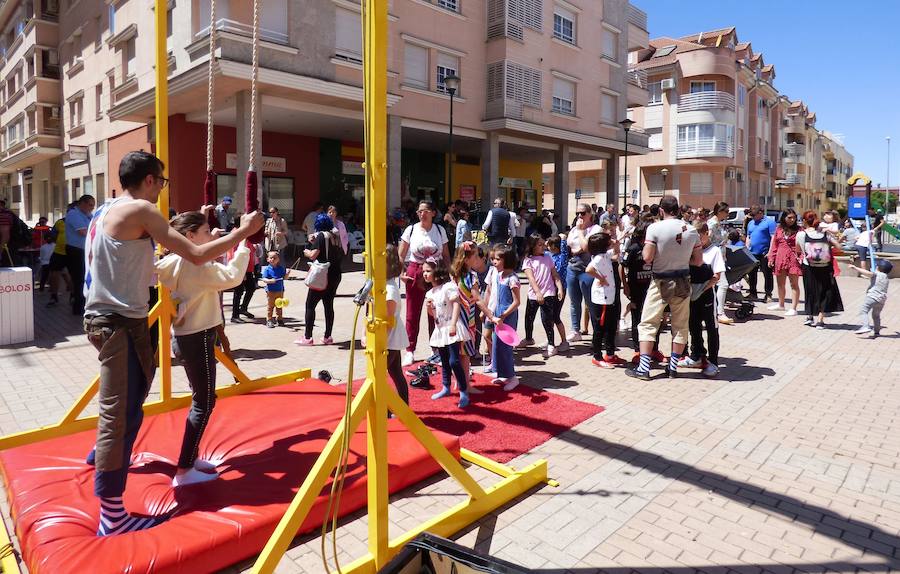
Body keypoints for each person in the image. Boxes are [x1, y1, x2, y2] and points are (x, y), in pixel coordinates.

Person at [83, 150, 263, 535]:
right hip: (119, 322)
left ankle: (101, 456)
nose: (162, 191)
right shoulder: (143, 212)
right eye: (162, 183)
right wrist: (242, 233)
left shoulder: (106, 209)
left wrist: (199, 227)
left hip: (110, 319)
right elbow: (197, 255)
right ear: (150, 180)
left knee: (132, 398)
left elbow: (174, 252)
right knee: (122, 411)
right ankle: (112, 514)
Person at [155, 210, 251, 487]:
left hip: (188, 336)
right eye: (206, 231)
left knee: (202, 397)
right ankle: (184, 468)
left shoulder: (173, 260)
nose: (212, 235)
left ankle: (191, 457)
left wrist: (210, 241)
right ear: (190, 236)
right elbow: (232, 277)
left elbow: (204, 264)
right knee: (205, 401)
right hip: (199, 336)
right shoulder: (195, 265)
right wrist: (243, 243)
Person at [625, 195, 702, 381]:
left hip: (660, 280)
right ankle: (673, 367)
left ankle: (644, 368)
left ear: (661, 210)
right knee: (680, 325)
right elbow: (698, 261)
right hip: (683, 279)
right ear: (678, 209)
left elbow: (647, 257)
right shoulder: (692, 231)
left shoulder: (655, 228)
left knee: (648, 323)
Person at [398, 200, 450, 365]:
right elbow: (400, 255)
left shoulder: (440, 230)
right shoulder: (411, 229)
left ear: (433, 213)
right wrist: (401, 273)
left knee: (436, 312)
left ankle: (437, 349)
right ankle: (409, 350)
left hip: (436, 273)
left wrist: (449, 276)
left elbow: (447, 255)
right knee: (412, 313)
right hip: (415, 271)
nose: (422, 214)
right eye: (419, 211)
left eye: (426, 211)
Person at [679, 221, 725, 377]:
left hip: (706, 295)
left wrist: (702, 289)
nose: (697, 240)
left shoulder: (715, 251)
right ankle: (697, 355)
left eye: (700, 237)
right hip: (692, 295)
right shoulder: (691, 251)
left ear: (707, 234)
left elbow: (716, 276)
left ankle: (713, 362)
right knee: (693, 326)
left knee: (712, 328)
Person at [423, 259, 471, 408]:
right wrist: (429, 308)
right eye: (423, 271)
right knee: (444, 361)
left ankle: (464, 391)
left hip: (451, 327)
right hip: (440, 330)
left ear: (437, 271)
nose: (425, 274)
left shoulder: (448, 287)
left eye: (428, 271)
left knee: (454, 361)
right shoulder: (430, 293)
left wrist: (453, 324)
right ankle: (446, 387)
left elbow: (456, 304)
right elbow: (433, 315)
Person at [296, 213, 344, 345]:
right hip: (335, 273)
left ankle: (307, 337)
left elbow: (313, 255)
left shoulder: (321, 236)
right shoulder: (335, 235)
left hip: (323, 274)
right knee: (328, 305)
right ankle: (328, 336)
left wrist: (307, 251)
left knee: (310, 305)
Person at [450, 241, 490, 390]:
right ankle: (466, 385)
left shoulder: (454, 274)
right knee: (465, 355)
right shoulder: (472, 276)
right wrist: (490, 315)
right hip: (468, 319)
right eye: (475, 256)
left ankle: (457, 381)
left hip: (454, 318)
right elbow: (478, 299)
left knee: (457, 353)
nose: (477, 259)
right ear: (467, 259)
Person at [796, 211, 843, 329]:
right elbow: (839, 247)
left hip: (809, 266)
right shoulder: (825, 234)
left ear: (804, 221)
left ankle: (810, 316)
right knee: (824, 292)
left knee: (810, 291)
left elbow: (798, 250)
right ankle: (820, 321)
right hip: (825, 267)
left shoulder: (801, 234)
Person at [521, 233, 565, 358]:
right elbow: (531, 279)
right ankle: (529, 338)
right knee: (529, 317)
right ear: (533, 246)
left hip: (549, 293)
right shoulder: (528, 260)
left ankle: (551, 344)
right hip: (534, 294)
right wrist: (537, 292)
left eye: (543, 244)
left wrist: (560, 288)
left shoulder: (548, 257)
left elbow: (555, 275)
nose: (543, 247)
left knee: (547, 319)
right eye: (540, 245)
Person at [565, 203, 602, 342]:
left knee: (590, 302)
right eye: (577, 213)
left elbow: (587, 247)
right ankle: (575, 330)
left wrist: (581, 232)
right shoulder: (574, 229)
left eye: (582, 213)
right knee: (574, 302)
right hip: (573, 267)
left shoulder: (596, 229)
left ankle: (597, 333)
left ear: (589, 214)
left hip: (588, 269)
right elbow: (570, 246)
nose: (579, 216)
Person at [586, 232, 620, 368]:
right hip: (602, 298)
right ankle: (597, 356)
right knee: (600, 328)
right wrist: (601, 278)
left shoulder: (605, 255)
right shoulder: (599, 257)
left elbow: (616, 255)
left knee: (611, 326)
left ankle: (610, 354)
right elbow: (589, 269)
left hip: (609, 296)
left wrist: (616, 245)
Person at [488, 244, 521, 391]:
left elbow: (517, 302)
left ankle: (512, 377)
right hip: (498, 314)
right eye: (493, 259)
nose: (494, 262)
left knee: (506, 347)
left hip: (507, 315)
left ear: (506, 260)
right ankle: (503, 374)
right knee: (497, 346)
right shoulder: (499, 276)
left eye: (497, 259)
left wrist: (504, 314)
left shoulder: (512, 278)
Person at [385, 244, 411, 405]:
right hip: (390, 336)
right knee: (395, 372)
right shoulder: (384, 285)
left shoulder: (390, 289)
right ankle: (402, 405)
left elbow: (388, 318)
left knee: (380, 375)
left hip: (390, 337)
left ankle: (389, 407)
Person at [766, 209, 803, 316]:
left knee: (794, 284)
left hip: (793, 259)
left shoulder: (799, 230)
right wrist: (771, 258)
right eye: (789, 218)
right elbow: (774, 245)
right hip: (780, 258)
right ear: (784, 218)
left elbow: (802, 245)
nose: (792, 220)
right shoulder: (779, 229)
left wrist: (801, 257)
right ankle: (781, 304)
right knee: (780, 283)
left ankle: (793, 308)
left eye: (794, 218)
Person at [65, 194, 95, 315]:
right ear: (82, 203)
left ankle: (83, 304)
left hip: (84, 251)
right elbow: (84, 232)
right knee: (79, 279)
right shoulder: (74, 214)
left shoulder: (87, 215)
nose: (92, 208)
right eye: (90, 205)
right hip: (76, 251)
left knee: (85, 278)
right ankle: (78, 308)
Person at [849, 259, 892, 338]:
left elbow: (868, 273)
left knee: (863, 311)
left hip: (872, 297)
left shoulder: (877, 274)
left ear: (879, 268)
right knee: (876, 315)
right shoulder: (886, 277)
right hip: (881, 299)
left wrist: (855, 267)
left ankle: (865, 326)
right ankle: (877, 331)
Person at [708, 202, 732, 325]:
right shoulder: (712, 224)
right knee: (723, 284)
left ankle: (716, 311)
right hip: (714, 259)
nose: (727, 214)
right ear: (720, 211)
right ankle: (720, 312)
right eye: (726, 211)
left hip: (719, 258)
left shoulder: (718, 223)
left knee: (715, 285)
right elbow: (707, 240)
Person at [745, 205, 776, 303]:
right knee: (752, 274)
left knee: (767, 274)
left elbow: (773, 238)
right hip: (752, 252)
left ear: (760, 213)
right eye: (752, 215)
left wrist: (770, 252)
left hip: (764, 252)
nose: (753, 217)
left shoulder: (769, 222)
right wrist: (746, 248)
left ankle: (768, 294)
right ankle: (753, 292)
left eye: (754, 215)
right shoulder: (750, 223)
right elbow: (748, 236)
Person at [546, 235, 570, 346]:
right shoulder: (549, 257)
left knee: (556, 316)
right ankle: (550, 339)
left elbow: (565, 251)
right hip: (550, 289)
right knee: (548, 316)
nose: (547, 246)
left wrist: (564, 240)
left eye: (549, 244)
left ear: (555, 246)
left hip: (560, 289)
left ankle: (564, 341)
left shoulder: (562, 257)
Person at [47, 213, 72, 306]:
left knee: (73, 275)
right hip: (59, 252)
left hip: (74, 253)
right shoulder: (60, 222)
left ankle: (73, 295)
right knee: (54, 273)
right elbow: (53, 235)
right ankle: (54, 296)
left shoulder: (82, 221)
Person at [261, 251, 290, 328]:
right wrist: (270, 281)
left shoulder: (281, 268)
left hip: (280, 290)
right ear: (267, 259)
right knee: (270, 306)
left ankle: (279, 319)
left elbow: (284, 278)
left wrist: (287, 274)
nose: (273, 259)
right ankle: (269, 320)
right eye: (271, 258)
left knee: (280, 305)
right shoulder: (267, 269)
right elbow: (264, 279)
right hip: (271, 291)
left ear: (278, 259)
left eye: (275, 258)